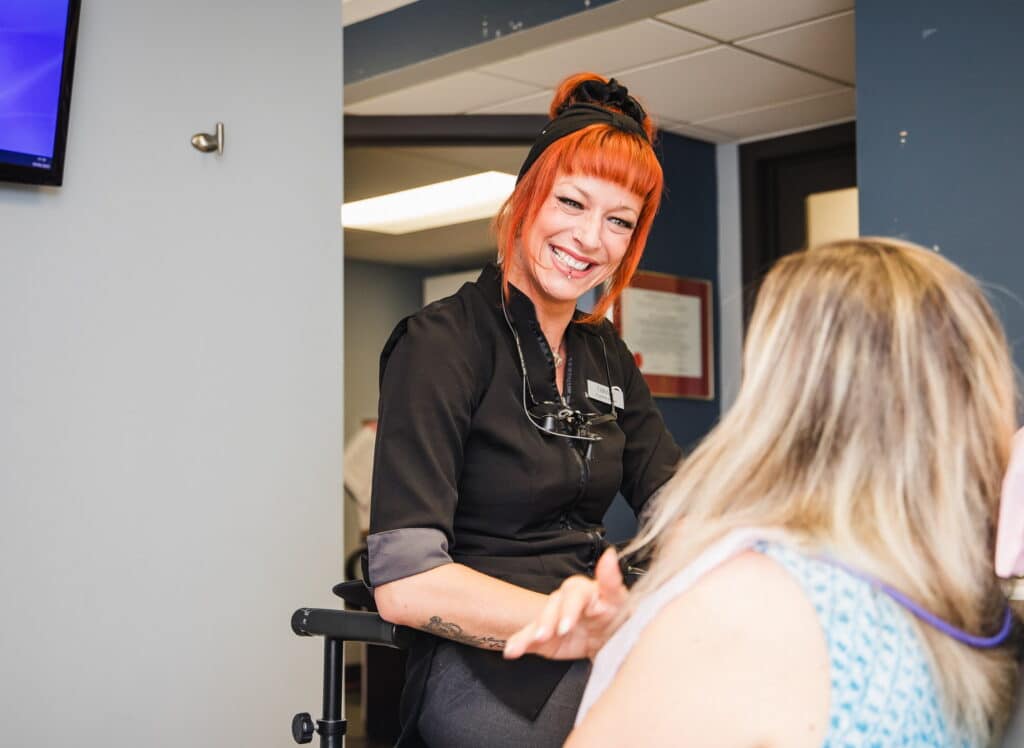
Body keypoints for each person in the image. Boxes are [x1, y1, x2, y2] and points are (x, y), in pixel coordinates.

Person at [506, 238, 1023, 746]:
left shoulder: (750, 600)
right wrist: (629, 643)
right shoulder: (962, 596)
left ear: (785, 393)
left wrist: (658, 643)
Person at [366, 72, 683, 747]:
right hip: (483, 664)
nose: (591, 238)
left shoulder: (607, 357)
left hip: (591, 638)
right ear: (526, 199)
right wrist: (572, 625)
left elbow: (680, 508)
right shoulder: (441, 344)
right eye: (572, 202)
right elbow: (405, 584)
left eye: (618, 220)